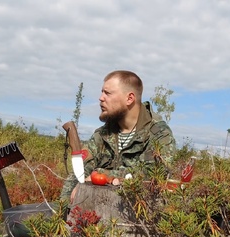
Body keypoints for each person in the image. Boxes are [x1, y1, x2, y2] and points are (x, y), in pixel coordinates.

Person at [61, 70, 176, 201]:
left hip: (140, 216)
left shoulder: (159, 134)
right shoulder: (103, 134)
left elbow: (154, 176)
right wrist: (64, 214)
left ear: (129, 98)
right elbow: (78, 175)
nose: (101, 98)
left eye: (107, 93)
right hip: (99, 212)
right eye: (102, 92)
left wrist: (102, 174)